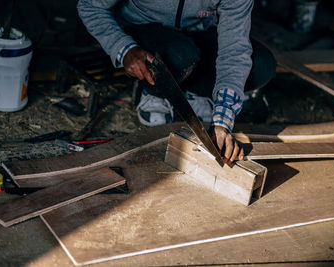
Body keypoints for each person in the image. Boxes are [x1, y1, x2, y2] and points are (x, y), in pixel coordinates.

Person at [77, 0, 276, 164]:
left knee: (260, 66)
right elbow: (89, 6)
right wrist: (123, 47)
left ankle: (189, 91)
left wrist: (223, 121)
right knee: (180, 55)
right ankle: (154, 93)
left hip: (196, 34)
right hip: (143, 31)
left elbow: (234, 50)